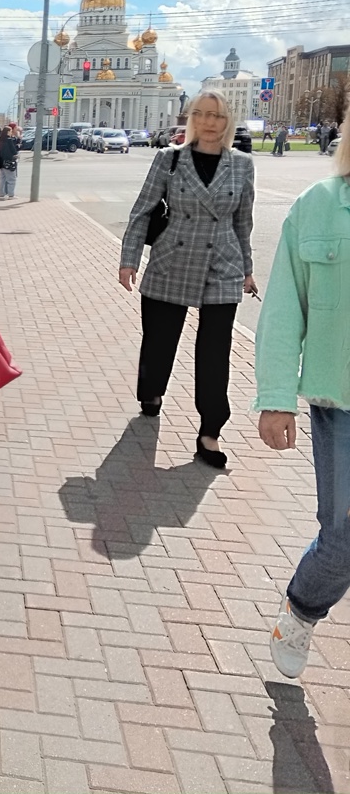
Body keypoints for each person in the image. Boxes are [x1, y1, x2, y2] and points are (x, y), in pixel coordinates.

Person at [119, 89, 257, 468]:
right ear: (193, 118)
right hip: (172, 260)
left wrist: (246, 270)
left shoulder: (242, 164)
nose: (210, 122)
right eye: (203, 114)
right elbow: (142, 211)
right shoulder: (169, 159)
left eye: (218, 115)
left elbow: (243, 222)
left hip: (222, 264)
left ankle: (210, 431)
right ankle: (151, 392)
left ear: (228, 121)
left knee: (215, 352)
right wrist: (129, 260)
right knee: (160, 341)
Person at [257, 114, 350, 678]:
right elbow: (283, 308)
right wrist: (276, 397)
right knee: (343, 540)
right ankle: (301, 611)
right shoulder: (317, 206)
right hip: (342, 404)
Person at [0, 123, 20, 199]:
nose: (11, 132)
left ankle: (1, 194)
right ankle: (11, 195)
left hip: (1, 162)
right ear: (7, 132)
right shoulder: (9, 140)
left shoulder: (0, 141)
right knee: (11, 179)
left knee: (2, 179)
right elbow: (14, 151)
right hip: (9, 161)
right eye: (10, 131)